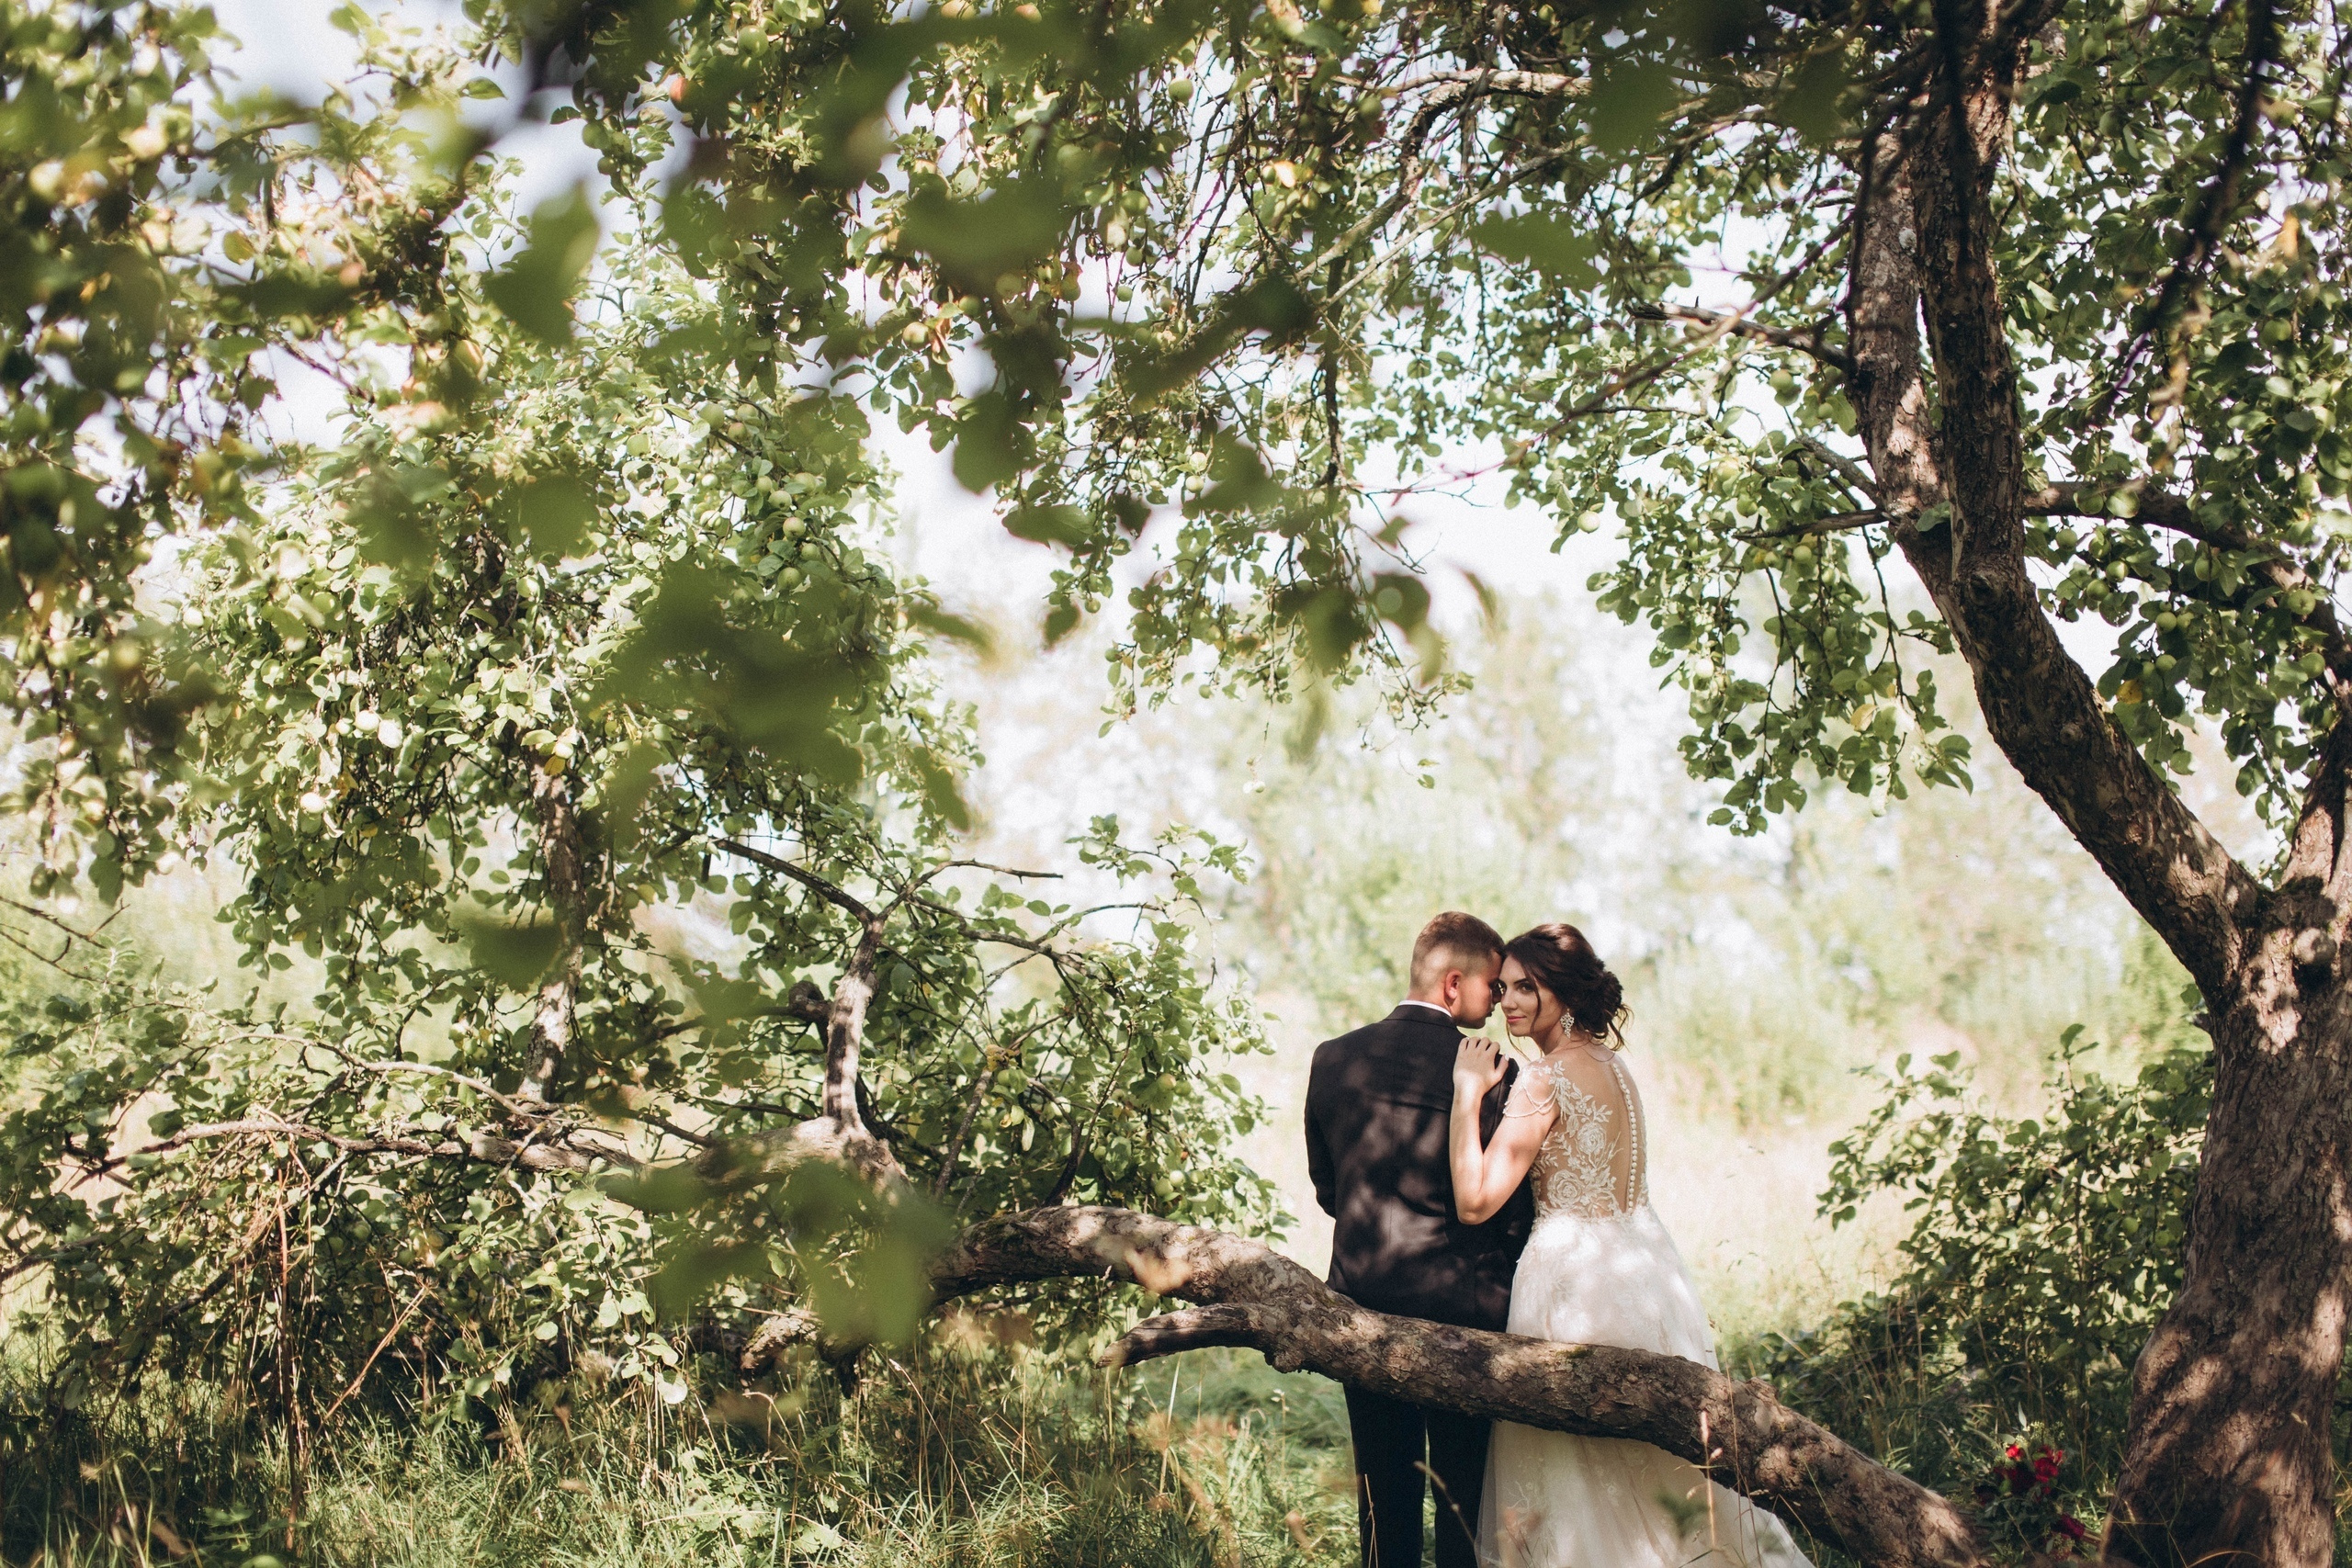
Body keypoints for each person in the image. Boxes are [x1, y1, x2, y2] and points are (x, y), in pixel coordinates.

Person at [1449, 922, 1813, 1568]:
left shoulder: (1543, 1080)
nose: (1508, 1001)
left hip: (1569, 1277)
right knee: (1663, 1461)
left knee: (1577, 1464)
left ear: (1563, 988)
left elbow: (1476, 1200)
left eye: (1527, 987)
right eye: (1503, 987)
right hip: (1642, 1267)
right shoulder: (1616, 1068)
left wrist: (1466, 1092)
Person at [1306, 911, 1535, 1568]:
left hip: (1360, 1307)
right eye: (1493, 987)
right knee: (1463, 1500)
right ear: (1453, 983)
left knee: (1383, 1493)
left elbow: (1330, 1188)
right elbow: (1512, 1211)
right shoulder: (1494, 1071)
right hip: (1467, 1316)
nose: (1497, 1003)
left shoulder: (1333, 1057)